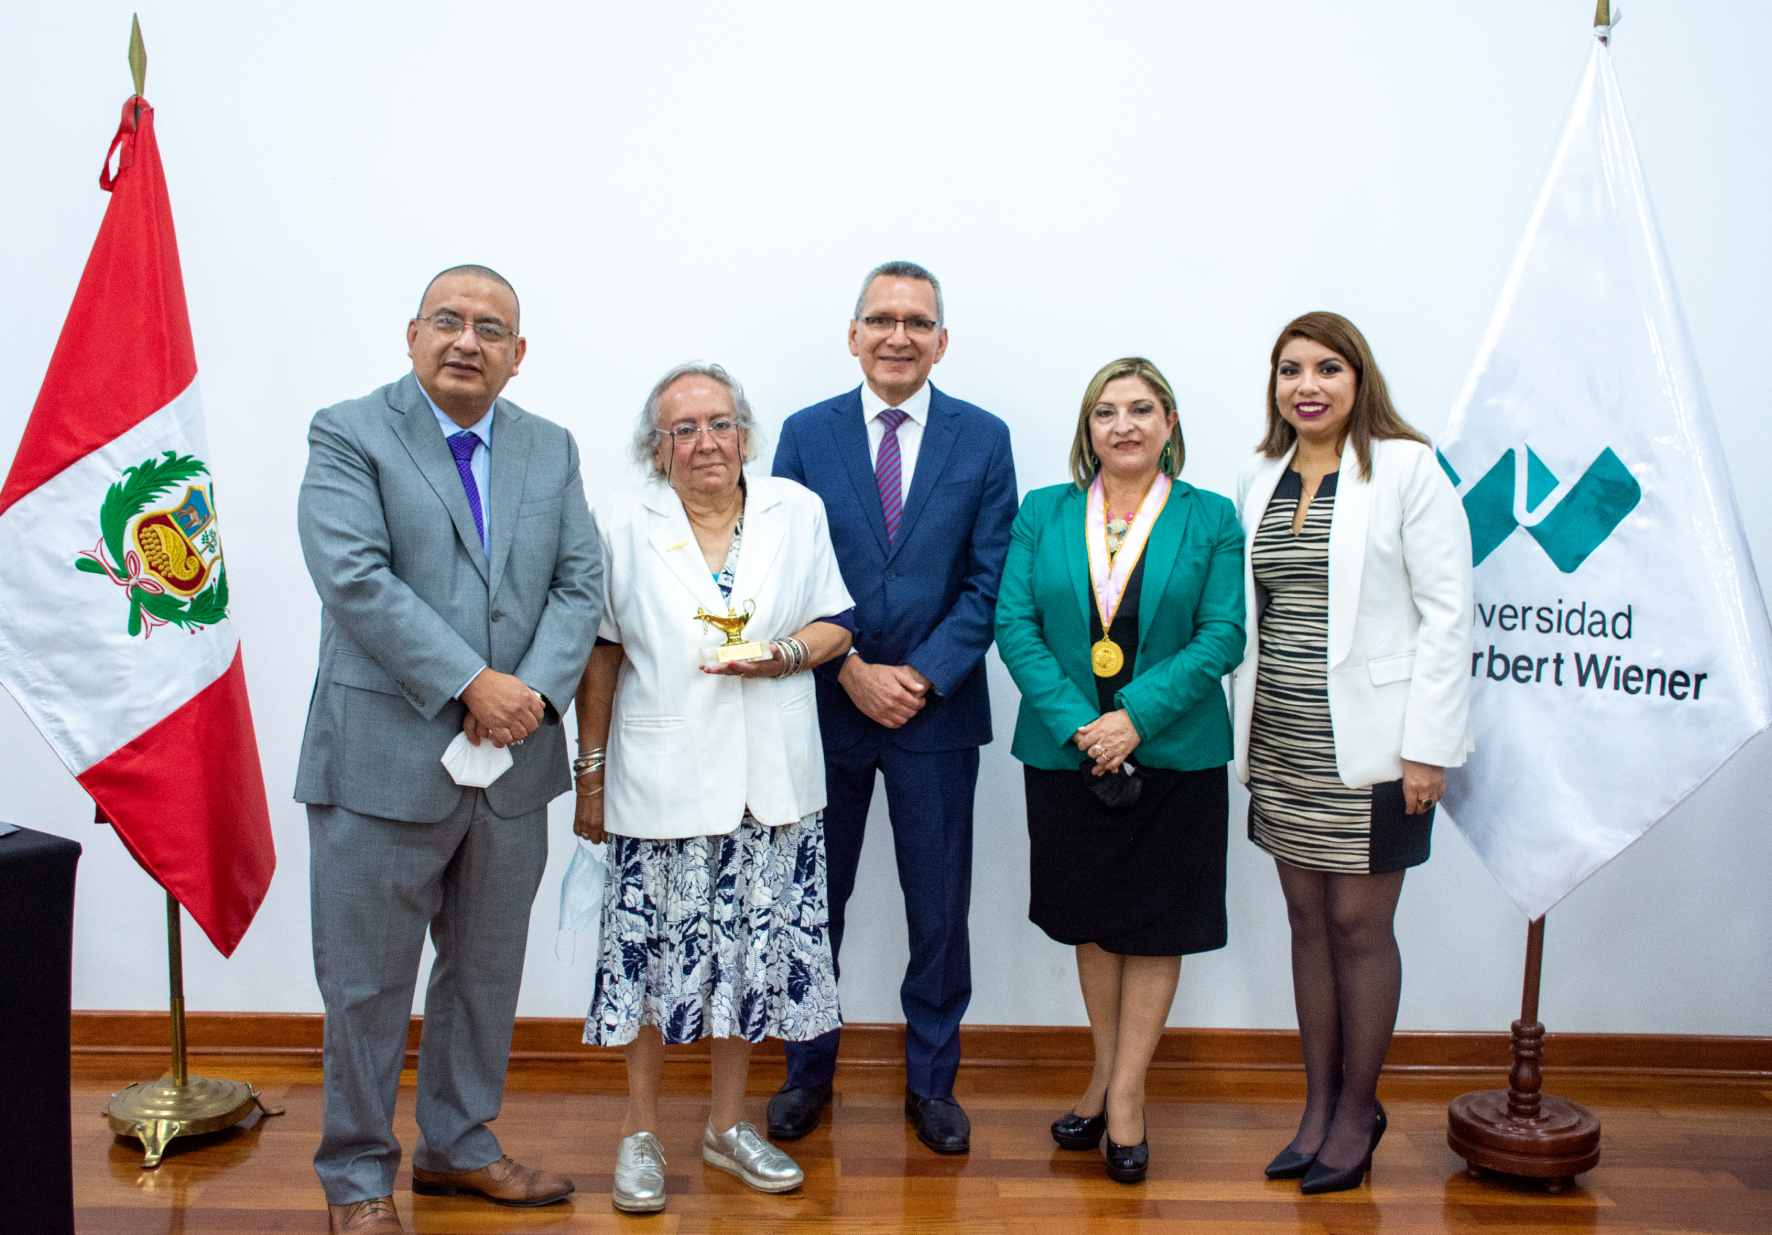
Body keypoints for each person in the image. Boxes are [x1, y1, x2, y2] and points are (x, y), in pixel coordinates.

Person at [295, 266, 602, 1235]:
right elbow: (354, 576)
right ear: (412, 333)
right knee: (365, 983)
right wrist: (473, 683)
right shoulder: (348, 432)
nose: (467, 340)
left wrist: (531, 695)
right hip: (379, 760)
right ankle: (355, 1176)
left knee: (483, 972)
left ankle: (458, 1144)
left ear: (519, 354)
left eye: (491, 328)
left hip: (510, 770)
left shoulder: (548, 448)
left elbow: (578, 580)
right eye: (448, 321)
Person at [574, 362, 854, 1214]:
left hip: (773, 782)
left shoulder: (794, 511)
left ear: (746, 434)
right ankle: (641, 1133)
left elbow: (835, 623)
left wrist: (782, 655)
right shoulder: (621, 522)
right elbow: (602, 651)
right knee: (652, 963)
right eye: (684, 429)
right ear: (655, 450)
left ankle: (728, 1126)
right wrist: (588, 777)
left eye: (721, 423)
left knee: (750, 961)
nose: (706, 442)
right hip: (661, 780)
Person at [769, 260, 1018, 1154]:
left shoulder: (983, 440)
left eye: (917, 321)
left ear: (941, 340)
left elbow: (992, 580)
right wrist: (852, 671)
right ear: (854, 335)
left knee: (938, 909)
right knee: (810, 903)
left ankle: (932, 1083)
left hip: (936, 715)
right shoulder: (804, 434)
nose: (898, 335)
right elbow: (782, 572)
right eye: (881, 319)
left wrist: (920, 674)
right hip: (825, 710)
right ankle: (805, 1074)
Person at [1232, 312, 1473, 1195]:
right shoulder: (1259, 475)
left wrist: (1429, 749)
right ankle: (1319, 1104)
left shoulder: (1408, 468)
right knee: (1305, 925)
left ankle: (1358, 1110)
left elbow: (1450, 614)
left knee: (1358, 927)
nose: (1308, 385)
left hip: (1377, 745)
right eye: (1291, 369)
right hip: (1282, 738)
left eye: (1327, 368)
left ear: (1358, 378)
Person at [995, 356, 1245, 1183]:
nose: (1125, 424)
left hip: (1175, 754)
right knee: (1095, 919)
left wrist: (1134, 717)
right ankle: (1104, 1073)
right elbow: (1015, 623)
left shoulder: (1210, 516)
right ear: (1087, 429)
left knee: (1158, 923)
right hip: (1068, 758)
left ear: (1170, 423)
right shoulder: (1044, 511)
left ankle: (1128, 1094)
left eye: (1142, 409)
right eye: (1107, 412)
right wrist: (1083, 726)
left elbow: (1223, 635)